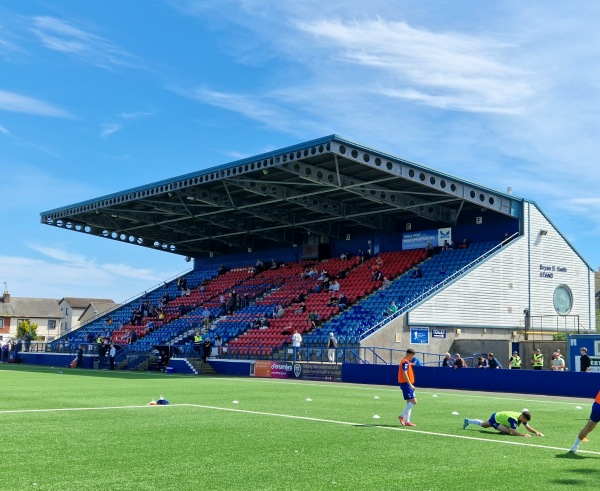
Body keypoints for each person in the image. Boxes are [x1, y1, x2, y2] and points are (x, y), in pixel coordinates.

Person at [463, 410, 543, 437]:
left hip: (499, 417)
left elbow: (527, 427)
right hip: (495, 419)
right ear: (522, 417)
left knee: (483, 424)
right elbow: (514, 432)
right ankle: (468, 421)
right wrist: (523, 435)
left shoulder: (521, 417)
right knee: (509, 432)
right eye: (525, 420)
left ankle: (468, 421)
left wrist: (536, 432)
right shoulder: (513, 419)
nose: (525, 422)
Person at [398, 348, 417, 427]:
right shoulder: (405, 362)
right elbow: (404, 373)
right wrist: (410, 384)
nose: (413, 358)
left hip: (406, 384)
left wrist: (411, 364)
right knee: (414, 401)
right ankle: (401, 416)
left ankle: (407, 421)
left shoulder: (406, 362)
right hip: (406, 384)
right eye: (412, 356)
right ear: (409, 355)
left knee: (409, 402)